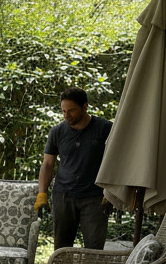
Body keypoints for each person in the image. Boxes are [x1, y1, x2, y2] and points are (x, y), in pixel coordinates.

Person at [36, 87, 112, 250]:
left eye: (71, 110)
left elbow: (117, 160)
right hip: (63, 196)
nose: (66, 115)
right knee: (62, 249)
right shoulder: (57, 131)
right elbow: (47, 164)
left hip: (95, 197)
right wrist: (42, 193)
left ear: (85, 107)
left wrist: (112, 190)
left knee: (94, 249)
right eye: (63, 111)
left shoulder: (105, 128)